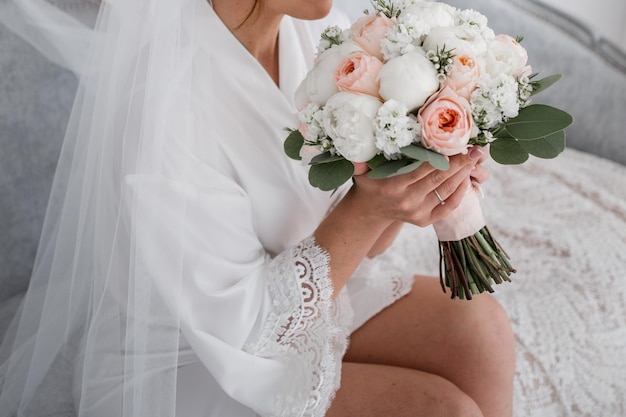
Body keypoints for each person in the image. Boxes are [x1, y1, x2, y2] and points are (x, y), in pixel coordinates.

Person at [0, 0, 515, 416]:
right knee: (442, 411)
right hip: (198, 354)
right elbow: (244, 335)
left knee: (480, 329)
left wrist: (413, 185)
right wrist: (367, 209)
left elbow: (362, 235)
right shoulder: (163, 111)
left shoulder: (326, 42)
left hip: (305, 294)